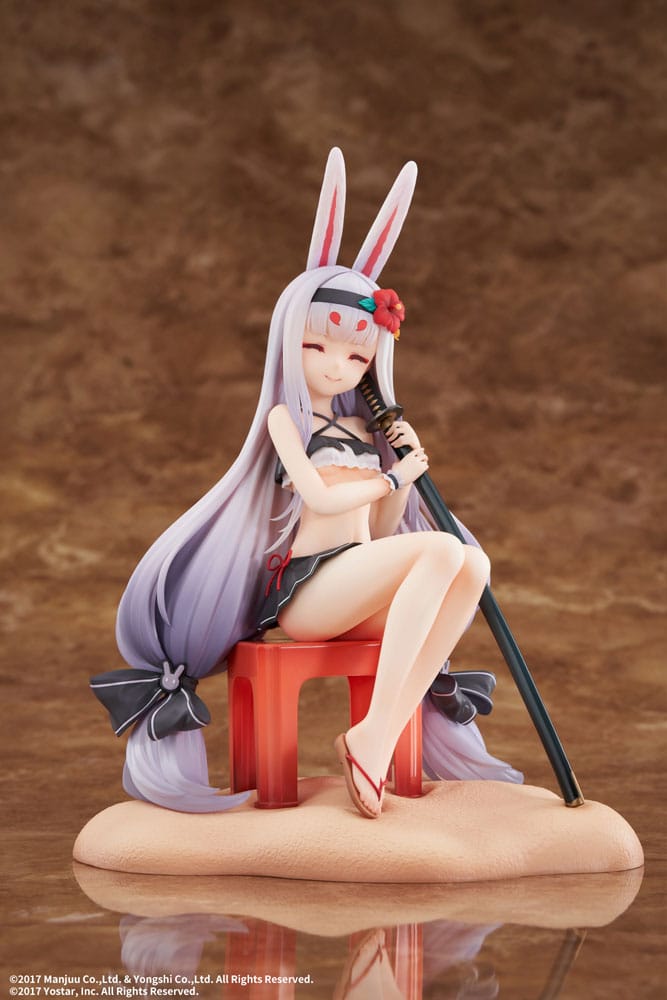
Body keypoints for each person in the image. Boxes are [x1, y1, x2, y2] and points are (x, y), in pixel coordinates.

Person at [91, 149, 521, 819]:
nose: (337, 366)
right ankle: (373, 739)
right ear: (288, 341)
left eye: (356, 354)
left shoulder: (365, 427)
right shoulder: (285, 421)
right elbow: (319, 499)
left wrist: (402, 474)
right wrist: (390, 476)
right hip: (309, 592)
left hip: (359, 582)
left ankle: (378, 731)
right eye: (317, 346)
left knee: (471, 562)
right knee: (441, 550)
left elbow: (383, 532)